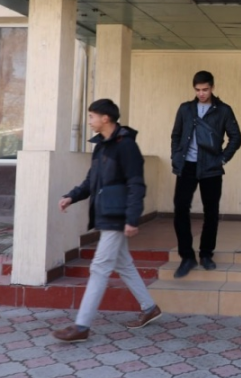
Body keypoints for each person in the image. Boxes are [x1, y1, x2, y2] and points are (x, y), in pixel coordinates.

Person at [52, 99, 161, 342]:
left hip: (117, 215)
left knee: (99, 267)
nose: (89, 121)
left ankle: (82, 326)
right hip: (106, 213)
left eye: (92, 116)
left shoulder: (126, 146)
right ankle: (150, 307)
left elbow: (136, 184)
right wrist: (71, 196)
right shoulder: (101, 147)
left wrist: (132, 218)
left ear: (105, 118)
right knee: (123, 264)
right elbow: (91, 181)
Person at [170, 71, 241, 278]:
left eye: (205, 89)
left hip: (211, 168)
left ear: (212, 88)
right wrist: (176, 156)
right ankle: (187, 257)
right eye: (198, 90)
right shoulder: (185, 109)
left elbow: (236, 137)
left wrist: (222, 159)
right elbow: (176, 135)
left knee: (211, 212)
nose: (201, 93)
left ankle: (206, 254)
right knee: (180, 209)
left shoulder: (223, 110)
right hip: (187, 166)